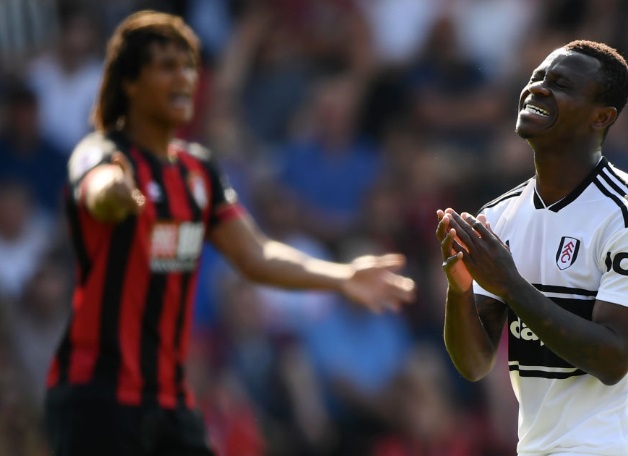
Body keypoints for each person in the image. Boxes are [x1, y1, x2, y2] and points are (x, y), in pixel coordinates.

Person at [44, 10, 416, 456]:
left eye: (182, 69)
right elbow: (96, 186)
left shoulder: (198, 172)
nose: (179, 82)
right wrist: (115, 192)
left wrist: (339, 276)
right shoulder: (102, 154)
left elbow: (256, 255)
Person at [436, 40, 628, 455]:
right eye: (537, 78)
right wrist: (459, 290)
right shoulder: (500, 216)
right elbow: (474, 365)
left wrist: (511, 285)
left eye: (560, 85)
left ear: (602, 117)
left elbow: (613, 359)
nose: (538, 89)